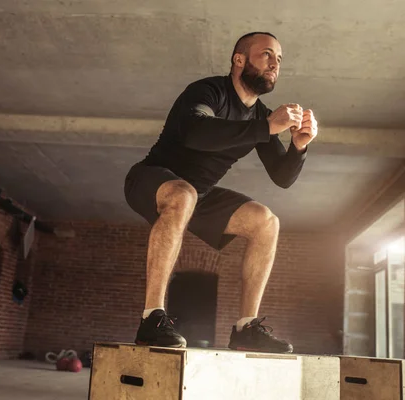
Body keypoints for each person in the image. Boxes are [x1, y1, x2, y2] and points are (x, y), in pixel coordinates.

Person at [123, 32, 318, 353]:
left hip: (197, 195)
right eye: (266, 55)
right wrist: (267, 127)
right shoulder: (208, 91)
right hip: (150, 179)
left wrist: (299, 146)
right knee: (183, 193)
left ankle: (246, 329)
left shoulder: (259, 116)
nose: (275, 64)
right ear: (239, 60)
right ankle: (151, 319)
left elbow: (282, 177)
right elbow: (196, 133)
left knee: (266, 221)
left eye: (279, 59)